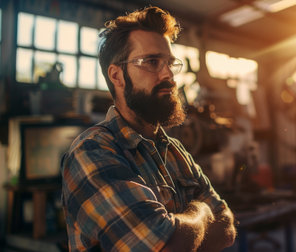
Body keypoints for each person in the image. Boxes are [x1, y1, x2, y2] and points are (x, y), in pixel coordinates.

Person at [61, 6, 236, 252]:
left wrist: (185, 229)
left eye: (170, 63)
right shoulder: (92, 152)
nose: (169, 76)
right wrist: (202, 210)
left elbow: (227, 229)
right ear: (117, 76)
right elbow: (165, 247)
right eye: (152, 62)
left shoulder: (174, 150)